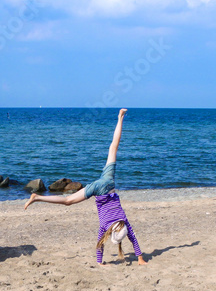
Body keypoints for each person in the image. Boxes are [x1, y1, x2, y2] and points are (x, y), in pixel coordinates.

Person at [24, 108, 147, 265]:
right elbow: (101, 243)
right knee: (68, 200)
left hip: (108, 183)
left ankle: (120, 117)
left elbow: (132, 237)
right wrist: (100, 262)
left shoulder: (123, 219)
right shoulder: (105, 225)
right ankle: (38, 197)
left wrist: (140, 257)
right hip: (97, 190)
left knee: (113, 147)